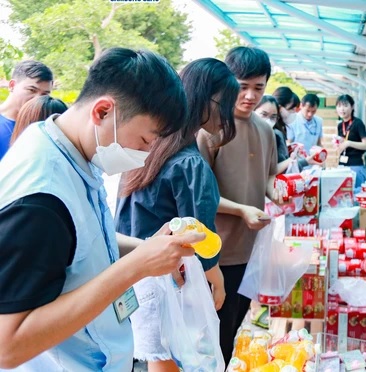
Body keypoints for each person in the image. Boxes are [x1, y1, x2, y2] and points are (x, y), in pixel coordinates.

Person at [0, 47, 201, 371]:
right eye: (145, 141)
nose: (147, 156)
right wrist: (135, 267)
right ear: (103, 111)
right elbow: (7, 346)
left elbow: (83, 237)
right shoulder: (40, 200)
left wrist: (150, 249)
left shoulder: (67, 148)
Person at [115, 58, 238, 372]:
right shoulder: (189, 163)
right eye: (226, 103)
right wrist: (217, 279)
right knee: (172, 357)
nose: (229, 114)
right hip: (167, 277)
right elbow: (199, 237)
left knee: (158, 354)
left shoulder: (152, 147)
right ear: (206, 99)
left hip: (135, 271)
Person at [197, 46, 278, 365]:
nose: (250, 95)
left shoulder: (265, 129)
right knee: (211, 336)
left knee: (232, 329)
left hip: (250, 250)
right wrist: (242, 210)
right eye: (242, 86)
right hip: (215, 252)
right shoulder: (210, 130)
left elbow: (269, 176)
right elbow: (200, 196)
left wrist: (278, 193)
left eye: (258, 87)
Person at [0, 60, 53, 160]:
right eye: (32, 90)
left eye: (44, 94)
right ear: (12, 85)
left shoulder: (46, 127)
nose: (37, 99)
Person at [254, 95, 321, 174]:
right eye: (264, 114)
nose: (268, 120)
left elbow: (282, 170)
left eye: (273, 117)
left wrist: (304, 161)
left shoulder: (275, 136)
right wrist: (291, 159)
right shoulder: (247, 137)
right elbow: (270, 171)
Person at [335, 94, 366, 190]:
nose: (342, 109)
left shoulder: (358, 123)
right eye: (339, 106)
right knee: (343, 196)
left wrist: (349, 143)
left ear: (352, 107)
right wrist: (339, 143)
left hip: (356, 166)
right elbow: (344, 141)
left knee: (357, 194)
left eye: (345, 105)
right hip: (342, 165)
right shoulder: (340, 125)